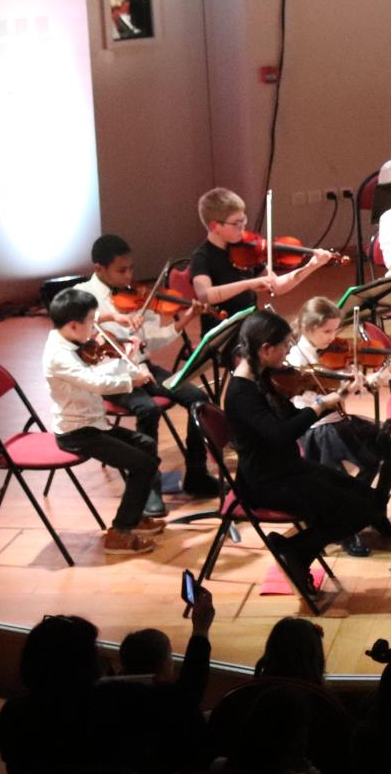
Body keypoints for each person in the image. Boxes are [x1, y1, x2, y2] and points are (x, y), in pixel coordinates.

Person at [226, 309, 384, 601]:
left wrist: (338, 395)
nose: (289, 352)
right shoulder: (241, 393)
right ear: (265, 349)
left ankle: (294, 549)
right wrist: (319, 406)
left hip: (288, 469)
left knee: (370, 501)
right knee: (353, 508)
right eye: (285, 346)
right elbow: (281, 434)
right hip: (265, 482)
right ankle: (297, 551)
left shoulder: (262, 378)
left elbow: (291, 417)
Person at [79, 233, 221, 498]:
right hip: (111, 375)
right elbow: (81, 325)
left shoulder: (137, 297)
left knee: (198, 399)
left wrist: (186, 318)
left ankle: (197, 475)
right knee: (148, 409)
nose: (129, 276)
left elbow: (154, 340)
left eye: (131, 269)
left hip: (144, 368)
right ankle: (148, 486)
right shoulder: (84, 296)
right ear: (99, 268)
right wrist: (116, 320)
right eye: (121, 270)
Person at [42, 287, 165, 555]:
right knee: (144, 465)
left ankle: (133, 514)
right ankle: (120, 532)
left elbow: (99, 367)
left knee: (145, 445)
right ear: (73, 325)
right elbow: (96, 383)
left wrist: (126, 358)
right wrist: (131, 380)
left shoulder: (72, 339)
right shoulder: (59, 356)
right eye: (91, 321)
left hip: (94, 423)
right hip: (78, 432)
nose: (95, 326)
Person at [285, 297, 391, 552]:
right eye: (326, 331)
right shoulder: (296, 359)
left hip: (339, 421)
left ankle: (375, 510)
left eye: (335, 331)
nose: (333, 338)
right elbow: (307, 403)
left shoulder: (331, 353)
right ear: (307, 328)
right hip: (317, 428)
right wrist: (343, 387)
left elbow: (357, 387)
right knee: (367, 464)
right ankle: (346, 523)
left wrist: (383, 372)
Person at [189, 187, 335, 331]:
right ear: (214, 227)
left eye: (243, 220)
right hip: (222, 331)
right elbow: (205, 295)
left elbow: (277, 286)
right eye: (236, 223)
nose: (242, 227)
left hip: (250, 327)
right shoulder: (201, 257)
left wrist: (310, 267)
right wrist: (248, 284)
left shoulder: (247, 249)